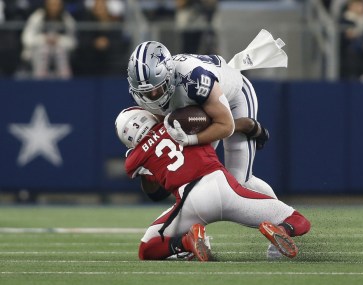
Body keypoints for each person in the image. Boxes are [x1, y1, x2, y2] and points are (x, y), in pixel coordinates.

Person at [115, 106, 311, 261]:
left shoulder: (134, 159)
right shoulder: (180, 120)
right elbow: (223, 124)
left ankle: (186, 241)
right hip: (224, 188)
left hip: (191, 202)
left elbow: (153, 192)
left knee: (147, 248)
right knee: (297, 219)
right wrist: (251, 127)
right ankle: (282, 230)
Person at [126, 40, 275, 199]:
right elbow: (169, 126)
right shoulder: (142, 96)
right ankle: (246, 126)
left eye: (158, 88)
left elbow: (225, 125)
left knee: (240, 182)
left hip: (233, 97)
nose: (153, 96)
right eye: (147, 92)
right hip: (195, 109)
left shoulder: (193, 78)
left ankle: (286, 218)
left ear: (169, 75)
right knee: (195, 181)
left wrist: (191, 140)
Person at [20, 0, 77, 79]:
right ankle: (39, 80)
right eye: (51, 5)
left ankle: (65, 81)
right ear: (46, 5)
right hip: (38, 52)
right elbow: (27, 39)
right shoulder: (37, 17)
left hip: (60, 51)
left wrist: (58, 40)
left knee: (59, 51)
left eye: (57, 5)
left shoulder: (67, 19)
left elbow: (73, 42)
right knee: (44, 50)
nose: (54, 8)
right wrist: (44, 39)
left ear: (61, 6)